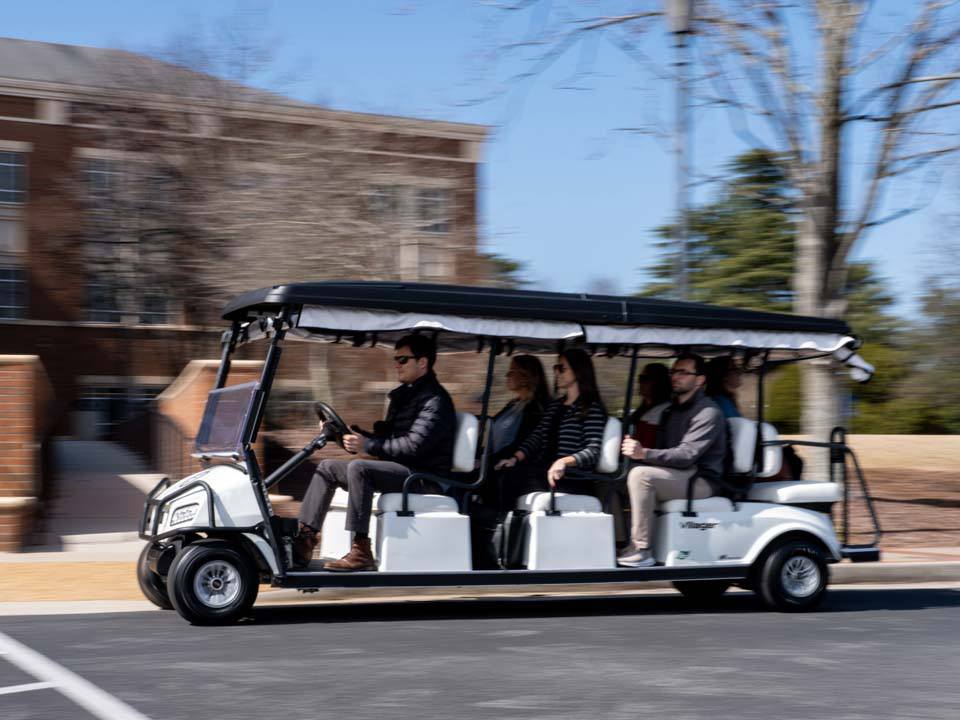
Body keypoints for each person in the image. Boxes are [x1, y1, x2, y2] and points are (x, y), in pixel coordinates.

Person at [293, 334, 456, 571]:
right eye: (395, 359)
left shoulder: (436, 401)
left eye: (402, 359)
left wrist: (367, 447)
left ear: (423, 363)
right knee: (327, 467)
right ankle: (305, 540)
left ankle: (361, 550)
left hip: (424, 477)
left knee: (360, 468)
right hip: (402, 470)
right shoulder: (404, 396)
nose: (396, 364)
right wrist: (349, 435)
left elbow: (413, 447)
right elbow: (386, 437)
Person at [617, 353, 726, 568]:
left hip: (702, 480)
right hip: (681, 474)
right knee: (615, 478)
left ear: (700, 380)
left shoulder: (708, 412)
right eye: (674, 372)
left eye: (683, 372)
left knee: (640, 475)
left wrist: (644, 454)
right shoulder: (672, 410)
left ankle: (642, 550)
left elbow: (686, 455)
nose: (676, 376)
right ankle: (621, 542)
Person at [494, 348, 607, 502]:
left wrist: (563, 461)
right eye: (556, 368)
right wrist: (514, 458)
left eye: (562, 368)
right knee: (504, 471)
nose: (557, 373)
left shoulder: (590, 408)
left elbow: (593, 451)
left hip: (570, 478)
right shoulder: (556, 406)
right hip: (546, 470)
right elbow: (537, 436)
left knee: (511, 478)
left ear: (578, 371)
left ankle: (508, 523)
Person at [490, 355, 551, 461]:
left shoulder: (536, 410)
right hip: (495, 461)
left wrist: (489, 461)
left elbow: (522, 442)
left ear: (525, 377)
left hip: (512, 466)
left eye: (512, 371)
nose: (507, 375)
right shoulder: (513, 405)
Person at [628, 362, 672, 447]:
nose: (640, 383)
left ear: (658, 383)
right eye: (640, 379)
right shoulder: (644, 409)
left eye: (644, 379)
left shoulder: (663, 411)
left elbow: (647, 445)